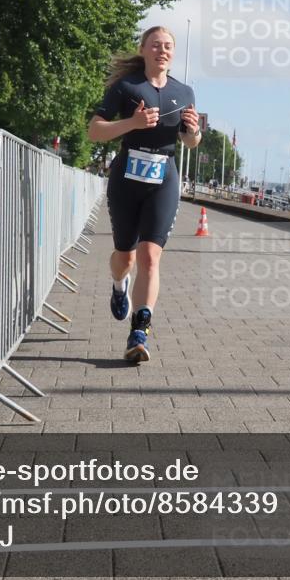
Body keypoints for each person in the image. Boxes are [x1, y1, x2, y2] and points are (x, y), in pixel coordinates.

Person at [87, 26, 201, 363]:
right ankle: (118, 285)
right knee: (126, 257)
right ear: (143, 48)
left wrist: (193, 132)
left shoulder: (185, 91)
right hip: (126, 177)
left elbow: (190, 142)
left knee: (150, 256)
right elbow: (95, 131)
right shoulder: (126, 86)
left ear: (173, 53)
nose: (162, 50)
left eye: (168, 46)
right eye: (156, 45)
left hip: (164, 176)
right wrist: (131, 124)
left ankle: (140, 330)